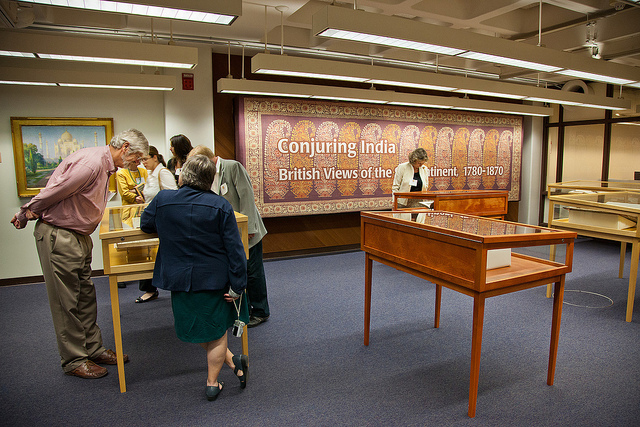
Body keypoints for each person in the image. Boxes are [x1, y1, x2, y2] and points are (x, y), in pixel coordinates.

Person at [10, 128, 149, 379]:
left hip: (78, 236)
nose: (137, 163)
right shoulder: (91, 163)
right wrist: (26, 211)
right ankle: (74, 359)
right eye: (137, 157)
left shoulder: (105, 167)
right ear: (125, 147)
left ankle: (93, 349)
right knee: (66, 302)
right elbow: (54, 192)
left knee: (85, 296)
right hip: (60, 236)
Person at [140, 154, 249, 401]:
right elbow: (235, 251)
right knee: (213, 331)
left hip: (178, 279)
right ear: (210, 179)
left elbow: (146, 224)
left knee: (198, 329)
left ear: (183, 174)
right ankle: (233, 364)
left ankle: (212, 383)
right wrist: (238, 286)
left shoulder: (163, 199)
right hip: (214, 281)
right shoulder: (221, 205)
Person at [190, 145, 270, 328]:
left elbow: (246, 196)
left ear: (208, 160)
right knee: (238, 269)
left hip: (248, 231)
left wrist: (249, 228)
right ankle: (246, 308)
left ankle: (261, 311)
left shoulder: (233, 167)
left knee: (253, 271)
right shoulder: (208, 175)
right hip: (229, 232)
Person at [133, 145, 178, 304]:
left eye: (145, 159)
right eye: (141, 160)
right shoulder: (151, 174)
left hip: (161, 221)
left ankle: (153, 288)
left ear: (155, 157)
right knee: (147, 253)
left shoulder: (163, 173)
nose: (143, 162)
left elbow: (172, 196)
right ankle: (149, 289)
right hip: (151, 217)